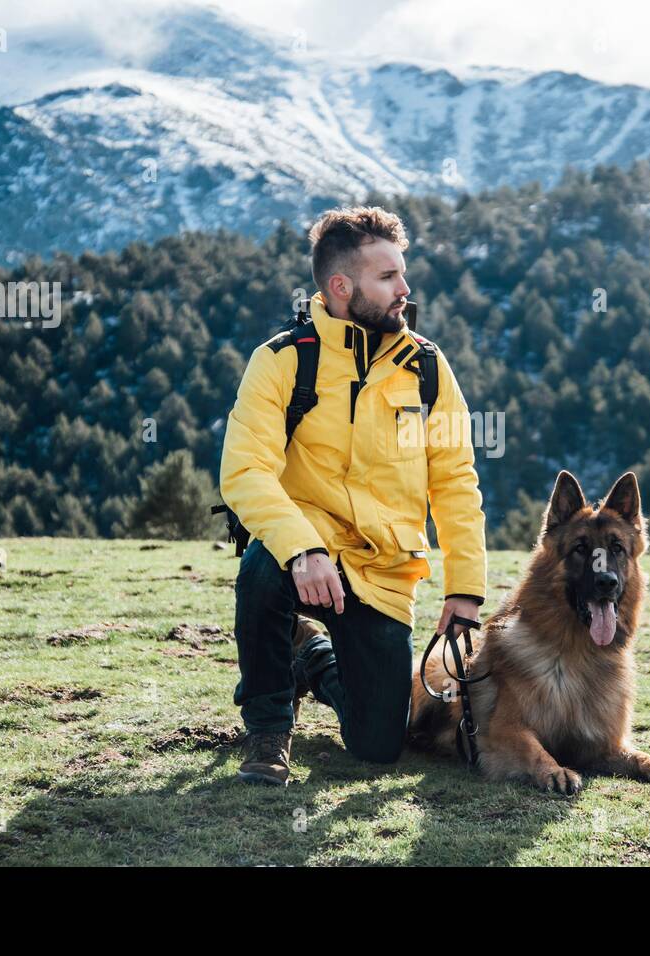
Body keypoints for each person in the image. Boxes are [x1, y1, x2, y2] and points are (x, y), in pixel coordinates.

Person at [219, 205, 487, 785]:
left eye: (402, 273)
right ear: (341, 287)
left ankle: (310, 656)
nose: (405, 289)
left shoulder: (428, 370)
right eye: (387, 277)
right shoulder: (281, 360)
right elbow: (245, 472)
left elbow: (455, 482)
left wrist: (465, 590)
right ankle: (269, 731)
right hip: (304, 553)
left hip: (384, 572)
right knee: (261, 570)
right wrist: (302, 548)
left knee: (379, 747)